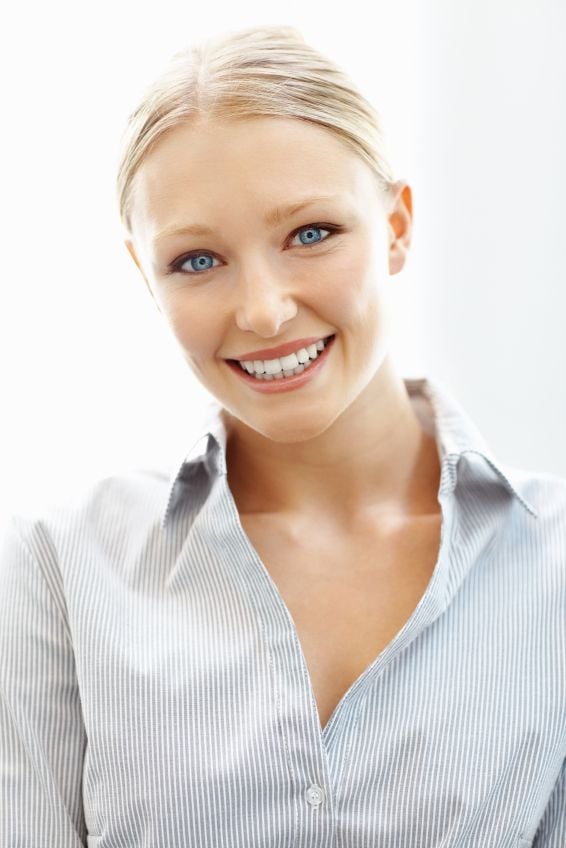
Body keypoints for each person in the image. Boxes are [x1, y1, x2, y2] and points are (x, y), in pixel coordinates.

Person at [1, 24, 564, 848]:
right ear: (145, 280)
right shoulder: (62, 565)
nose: (262, 311)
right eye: (196, 260)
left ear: (397, 227)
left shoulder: (552, 565)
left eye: (311, 234)